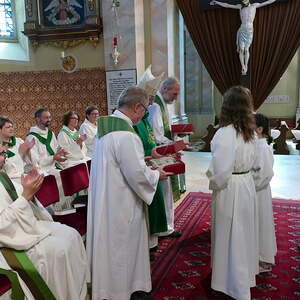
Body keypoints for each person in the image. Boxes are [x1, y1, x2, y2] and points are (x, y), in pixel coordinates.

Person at [86, 86, 170, 300]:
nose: (144, 115)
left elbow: (118, 164)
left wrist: (145, 164)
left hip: (107, 199)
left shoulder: (104, 129)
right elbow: (137, 175)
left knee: (110, 247)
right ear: (136, 107)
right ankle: (124, 291)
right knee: (122, 246)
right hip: (121, 204)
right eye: (145, 110)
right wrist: (155, 175)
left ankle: (108, 289)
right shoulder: (126, 135)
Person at [0, 154, 89, 300]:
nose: (4, 154)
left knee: (71, 235)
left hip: (21, 227)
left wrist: (28, 190)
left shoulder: (2, 177)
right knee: (59, 250)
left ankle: (76, 293)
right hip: (8, 240)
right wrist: (26, 196)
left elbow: (20, 198)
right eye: (0, 153)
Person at [206, 86, 259, 300]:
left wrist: (213, 180)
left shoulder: (225, 133)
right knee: (243, 232)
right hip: (245, 184)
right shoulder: (250, 131)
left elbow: (221, 170)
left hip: (230, 187)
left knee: (230, 233)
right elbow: (254, 163)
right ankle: (243, 277)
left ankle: (231, 283)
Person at [134, 65, 168, 251]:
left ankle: (153, 239)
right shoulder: (134, 121)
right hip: (143, 165)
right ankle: (148, 243)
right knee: (148, 204)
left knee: (156, 200)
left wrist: (157, 151)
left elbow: (150, 138)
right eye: (150, 99)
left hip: (151, 162)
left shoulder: (145, 117)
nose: (152, 102)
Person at [148, 77, 182, 237]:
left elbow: (164, 130)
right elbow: (157, 135)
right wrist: (174, 146)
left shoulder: (161, 104)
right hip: (160, 154)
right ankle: (165, 227)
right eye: (174, 94)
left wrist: (176, 136)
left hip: (164, 151)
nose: (176, 98)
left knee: (166, 190)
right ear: (165, 89)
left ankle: (167, 225)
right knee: (165, 190)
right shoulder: (155, 106)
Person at [210, 0, 277, 75]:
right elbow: (227, 5)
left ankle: (246, 66)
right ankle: (243, 67)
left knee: (246, 49)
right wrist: (217, 2)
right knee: (241, 49)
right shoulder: (240, 7)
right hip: (242, 29)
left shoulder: (254, 5)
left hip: (249, 30)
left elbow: (267, 2)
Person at [26, 108, 71, 212]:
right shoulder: (31, 138)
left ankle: (64, 209)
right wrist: (54, 157)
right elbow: (35, 162)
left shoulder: (50, 134)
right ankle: (53, 211)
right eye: (46, 117)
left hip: (52, 167)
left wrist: (61, 153)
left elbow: (56, 150)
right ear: (37, 119)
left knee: (66, 175)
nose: (49, 119)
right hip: (41, 170)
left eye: (50, 117)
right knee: (54, 179)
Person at [253, 113, 277, 271]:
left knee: (261, 223)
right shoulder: (256, 144)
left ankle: (263, 258)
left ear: (260, 129)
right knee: (255, 224)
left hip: (259, 191)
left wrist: (248, 184)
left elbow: (266, 174)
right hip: (255, 191)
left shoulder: (263, 147)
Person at [0, 116, 34, 182]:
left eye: (12, 127)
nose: (11, 129)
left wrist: (28, 151)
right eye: (8, 127)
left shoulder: (19, 141)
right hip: (6, 181)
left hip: (21, 177)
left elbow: (29, 162)